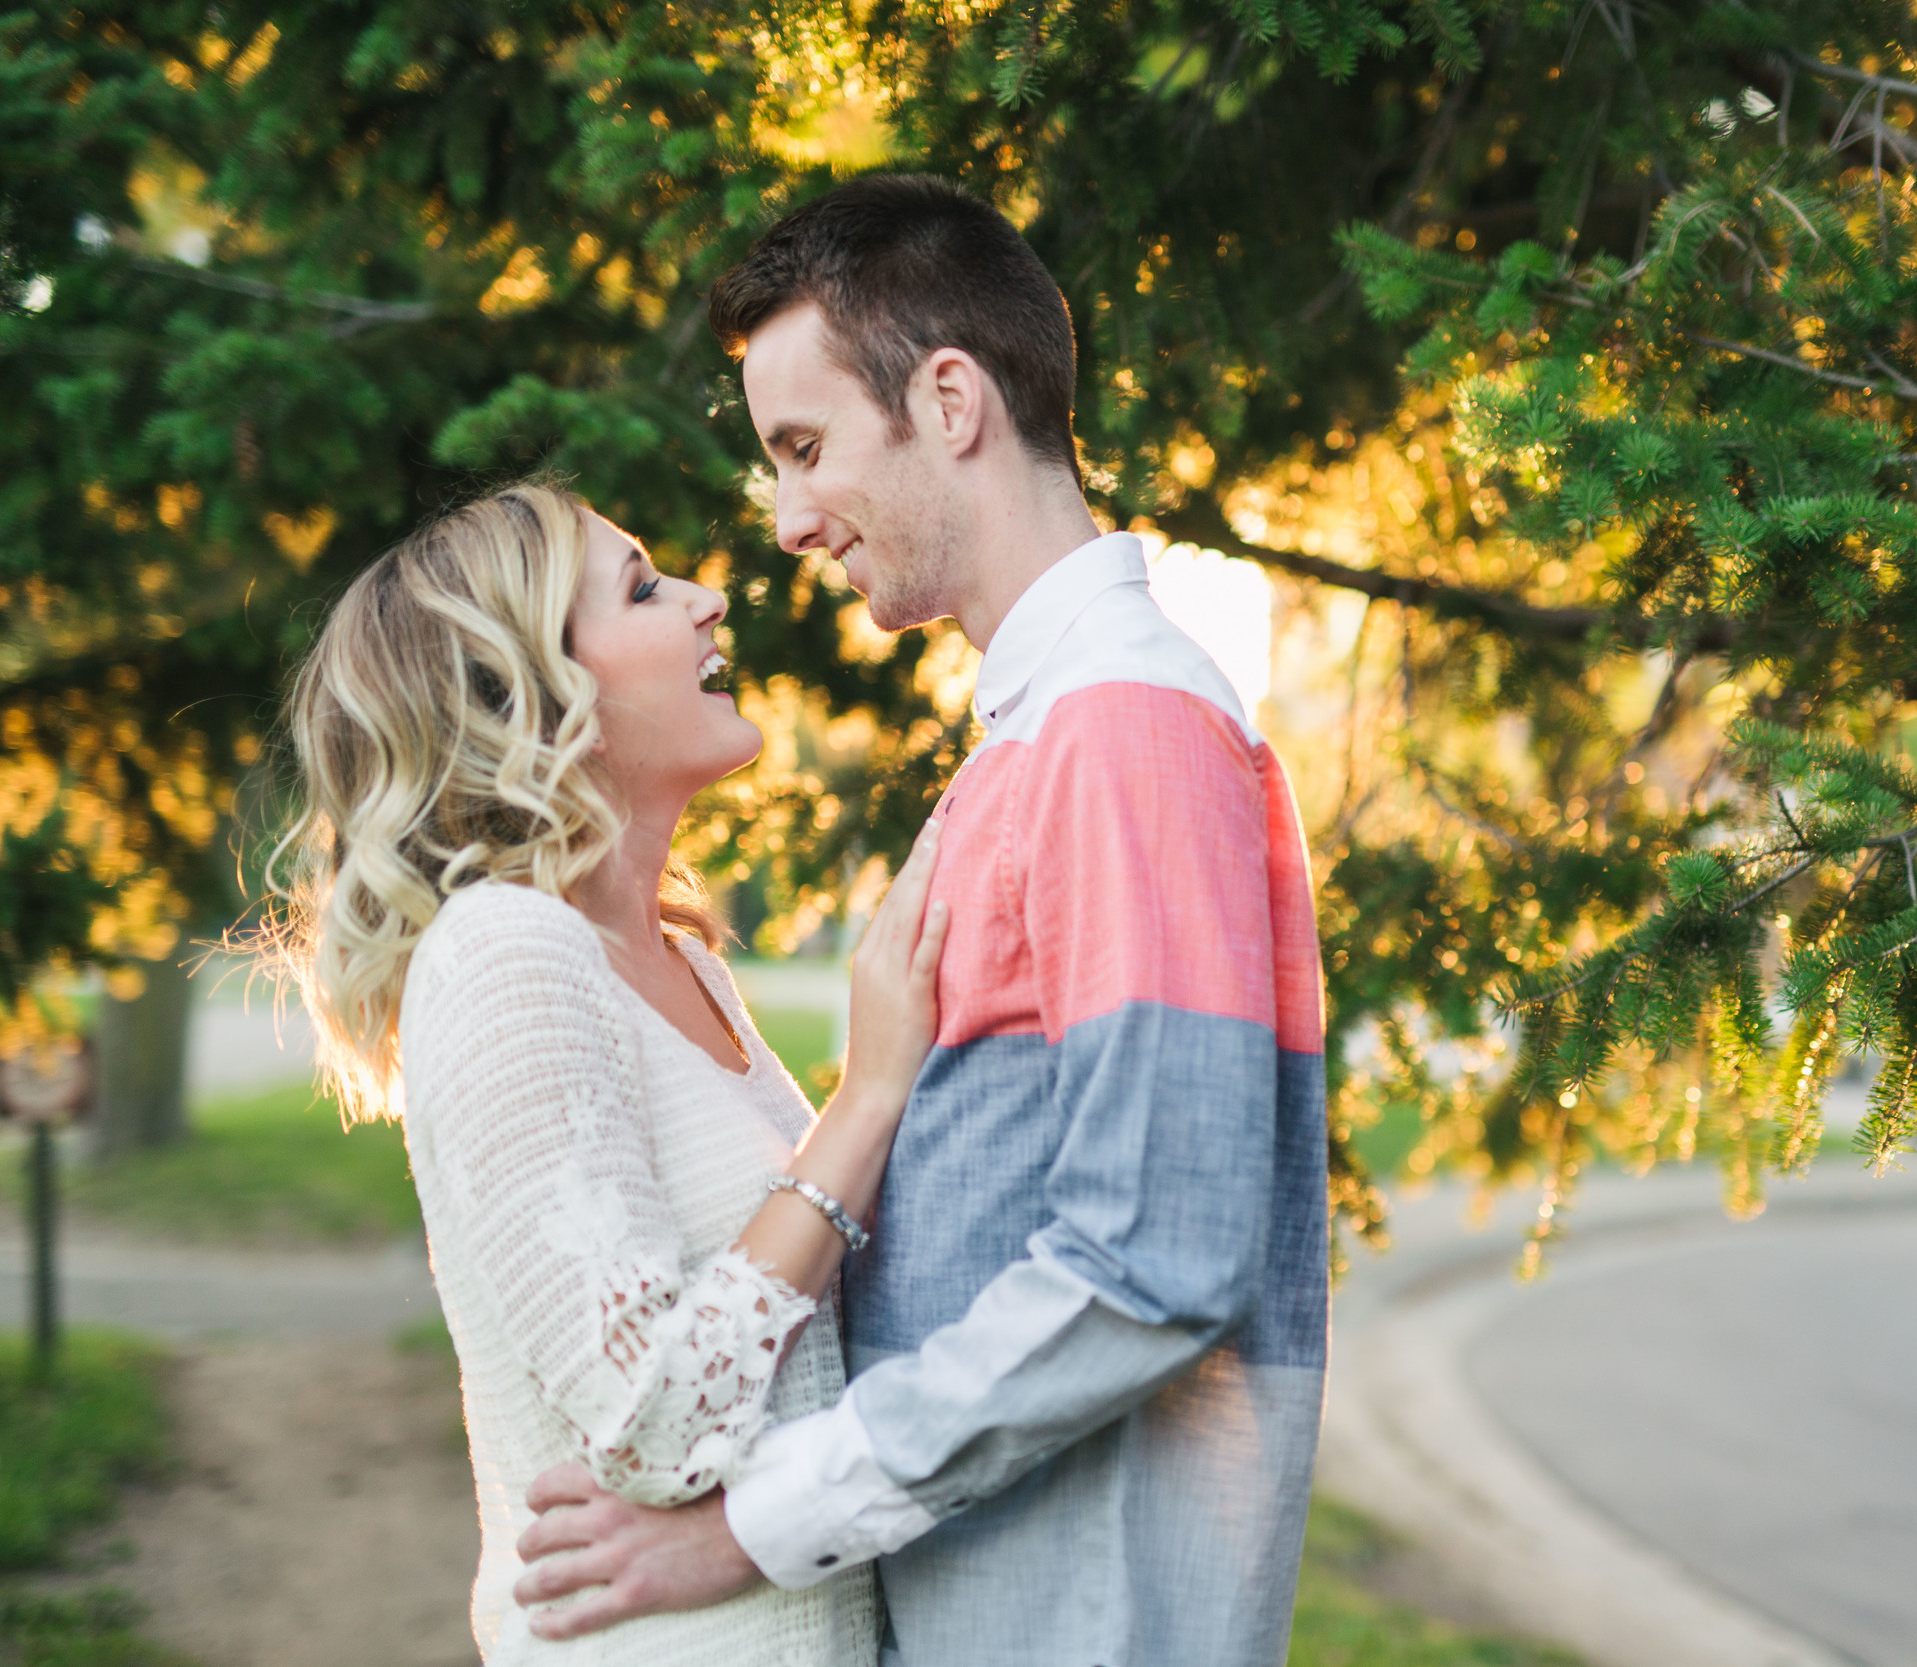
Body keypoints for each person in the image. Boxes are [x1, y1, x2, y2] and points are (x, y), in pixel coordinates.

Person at [510, 176, 1331, 1667]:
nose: (785, 520)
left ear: (950, 398)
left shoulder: (1125, 727)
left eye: (806, 448)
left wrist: (743, 1527)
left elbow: (1154, 1253)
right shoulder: (1036, 740)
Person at [263, 482, 952, 1663]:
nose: (708, 597)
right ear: (528, 695)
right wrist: (868, 1093)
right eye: (640, 589)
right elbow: (652, 1417)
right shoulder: (500, 952)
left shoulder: (683, 963)